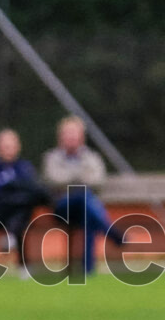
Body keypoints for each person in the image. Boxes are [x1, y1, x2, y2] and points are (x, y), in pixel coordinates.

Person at [42, 114, 123, 274]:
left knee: (87, 212)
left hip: (85, 209)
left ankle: (88, 269)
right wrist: (80, 176)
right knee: (83, 198)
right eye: (68, 133)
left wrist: (71, 178)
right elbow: (53, 180)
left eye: (74, 133)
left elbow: (98, 181)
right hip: (62, 208)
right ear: (61, 137)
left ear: (81, 136)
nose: (71, 137)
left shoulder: (92, 157)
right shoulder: (51, 158)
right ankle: (110, 232)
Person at [0, 128, 50, 274]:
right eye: (4, 146)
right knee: (18, 210)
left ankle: (16, 247)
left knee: (21, 214)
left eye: (10, 146)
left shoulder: (24, 167)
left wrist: (8, 185)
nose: (8, 150)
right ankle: (22, 263)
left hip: (21, 213)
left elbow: (33, 189)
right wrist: (13, 186)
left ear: (18, 147)